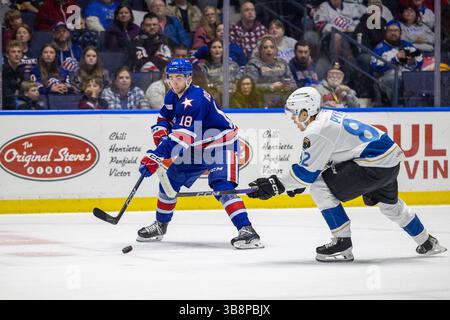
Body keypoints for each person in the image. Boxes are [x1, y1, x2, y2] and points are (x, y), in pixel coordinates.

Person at [247, 86, 447, 262]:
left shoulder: (315, 131)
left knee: (318, 185)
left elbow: (306, 174)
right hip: (389, 161)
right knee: (390, 205)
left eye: (295, 114)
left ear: (306, 112)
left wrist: (274, 185)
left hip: (373, 164)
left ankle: (342, 243)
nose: (293, 119)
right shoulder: (326, 118)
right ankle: (427, 241)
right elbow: (327, 160)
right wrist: (293, 183)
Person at [136, 58, 263, 249]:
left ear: (188, 78)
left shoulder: (194, 100)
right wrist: (161, 130)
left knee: (222, 186)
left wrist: (156, 155)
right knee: (169, 182)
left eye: (179, 77)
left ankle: (247, 231)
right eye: (171, 77)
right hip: (197, 147)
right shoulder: (172, 95)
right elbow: (164, 117)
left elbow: (180, 139)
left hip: (221, 144)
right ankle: (160, 226)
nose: (174, 81)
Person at [370, 20, 423, 104]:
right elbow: (375, 66)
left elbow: (420, 58)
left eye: (396, 31)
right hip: (387, 77)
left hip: (408, 75)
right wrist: (396, 59)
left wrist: (412, 61)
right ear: (386, 33)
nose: (393, 33)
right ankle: (397, 106)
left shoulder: (407, 45)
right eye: (390, 30)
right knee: (394, 80)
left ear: (400, 33)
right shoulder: (380, 48)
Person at [244, 35, 296, 107]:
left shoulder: (283, 63)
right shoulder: (253, 65)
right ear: (260, 50)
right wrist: (270, 87)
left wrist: (288, 86)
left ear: (276, 50)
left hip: (282, 102)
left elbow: (294, 84)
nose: (269, 50)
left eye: (272, 47)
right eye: (265, 47)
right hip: (260, 102)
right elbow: (250, 87)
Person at [198, 38, 240, 104]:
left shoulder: (233, 65)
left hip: (233, 99)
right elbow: (204, 88)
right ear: (209, 50)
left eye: (219, 47)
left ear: (223, 50)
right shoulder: (203, 67)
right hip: (213, 100)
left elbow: (239, 83)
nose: (217, 50)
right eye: (214, 47)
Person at [2, 40, 26, 110]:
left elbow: (22, 90)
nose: (16, 54)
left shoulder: (20, 70)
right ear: (7, 55)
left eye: (19, 52)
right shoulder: (2, 71)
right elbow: (5, 93)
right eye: (13, 52)